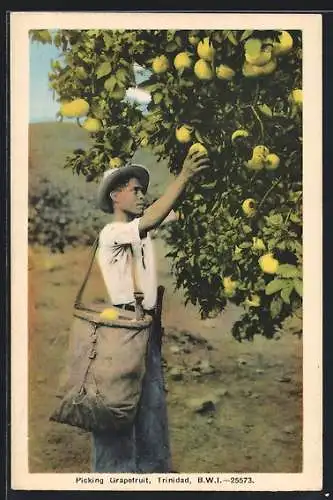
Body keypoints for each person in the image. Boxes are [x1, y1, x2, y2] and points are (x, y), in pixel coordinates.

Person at [93, 147, 210, 473]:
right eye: (136, 190)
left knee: (151, 407)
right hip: (122, 331)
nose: (143, 195)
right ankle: (113, 478)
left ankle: (153, 475)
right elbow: (156, 215)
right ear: (116, 195)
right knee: (116, 410)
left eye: (144, 191)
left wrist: (199, 186)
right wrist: (184, 174)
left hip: (146, 328)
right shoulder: (114, 232)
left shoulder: (139, 230)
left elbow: (169, 210)